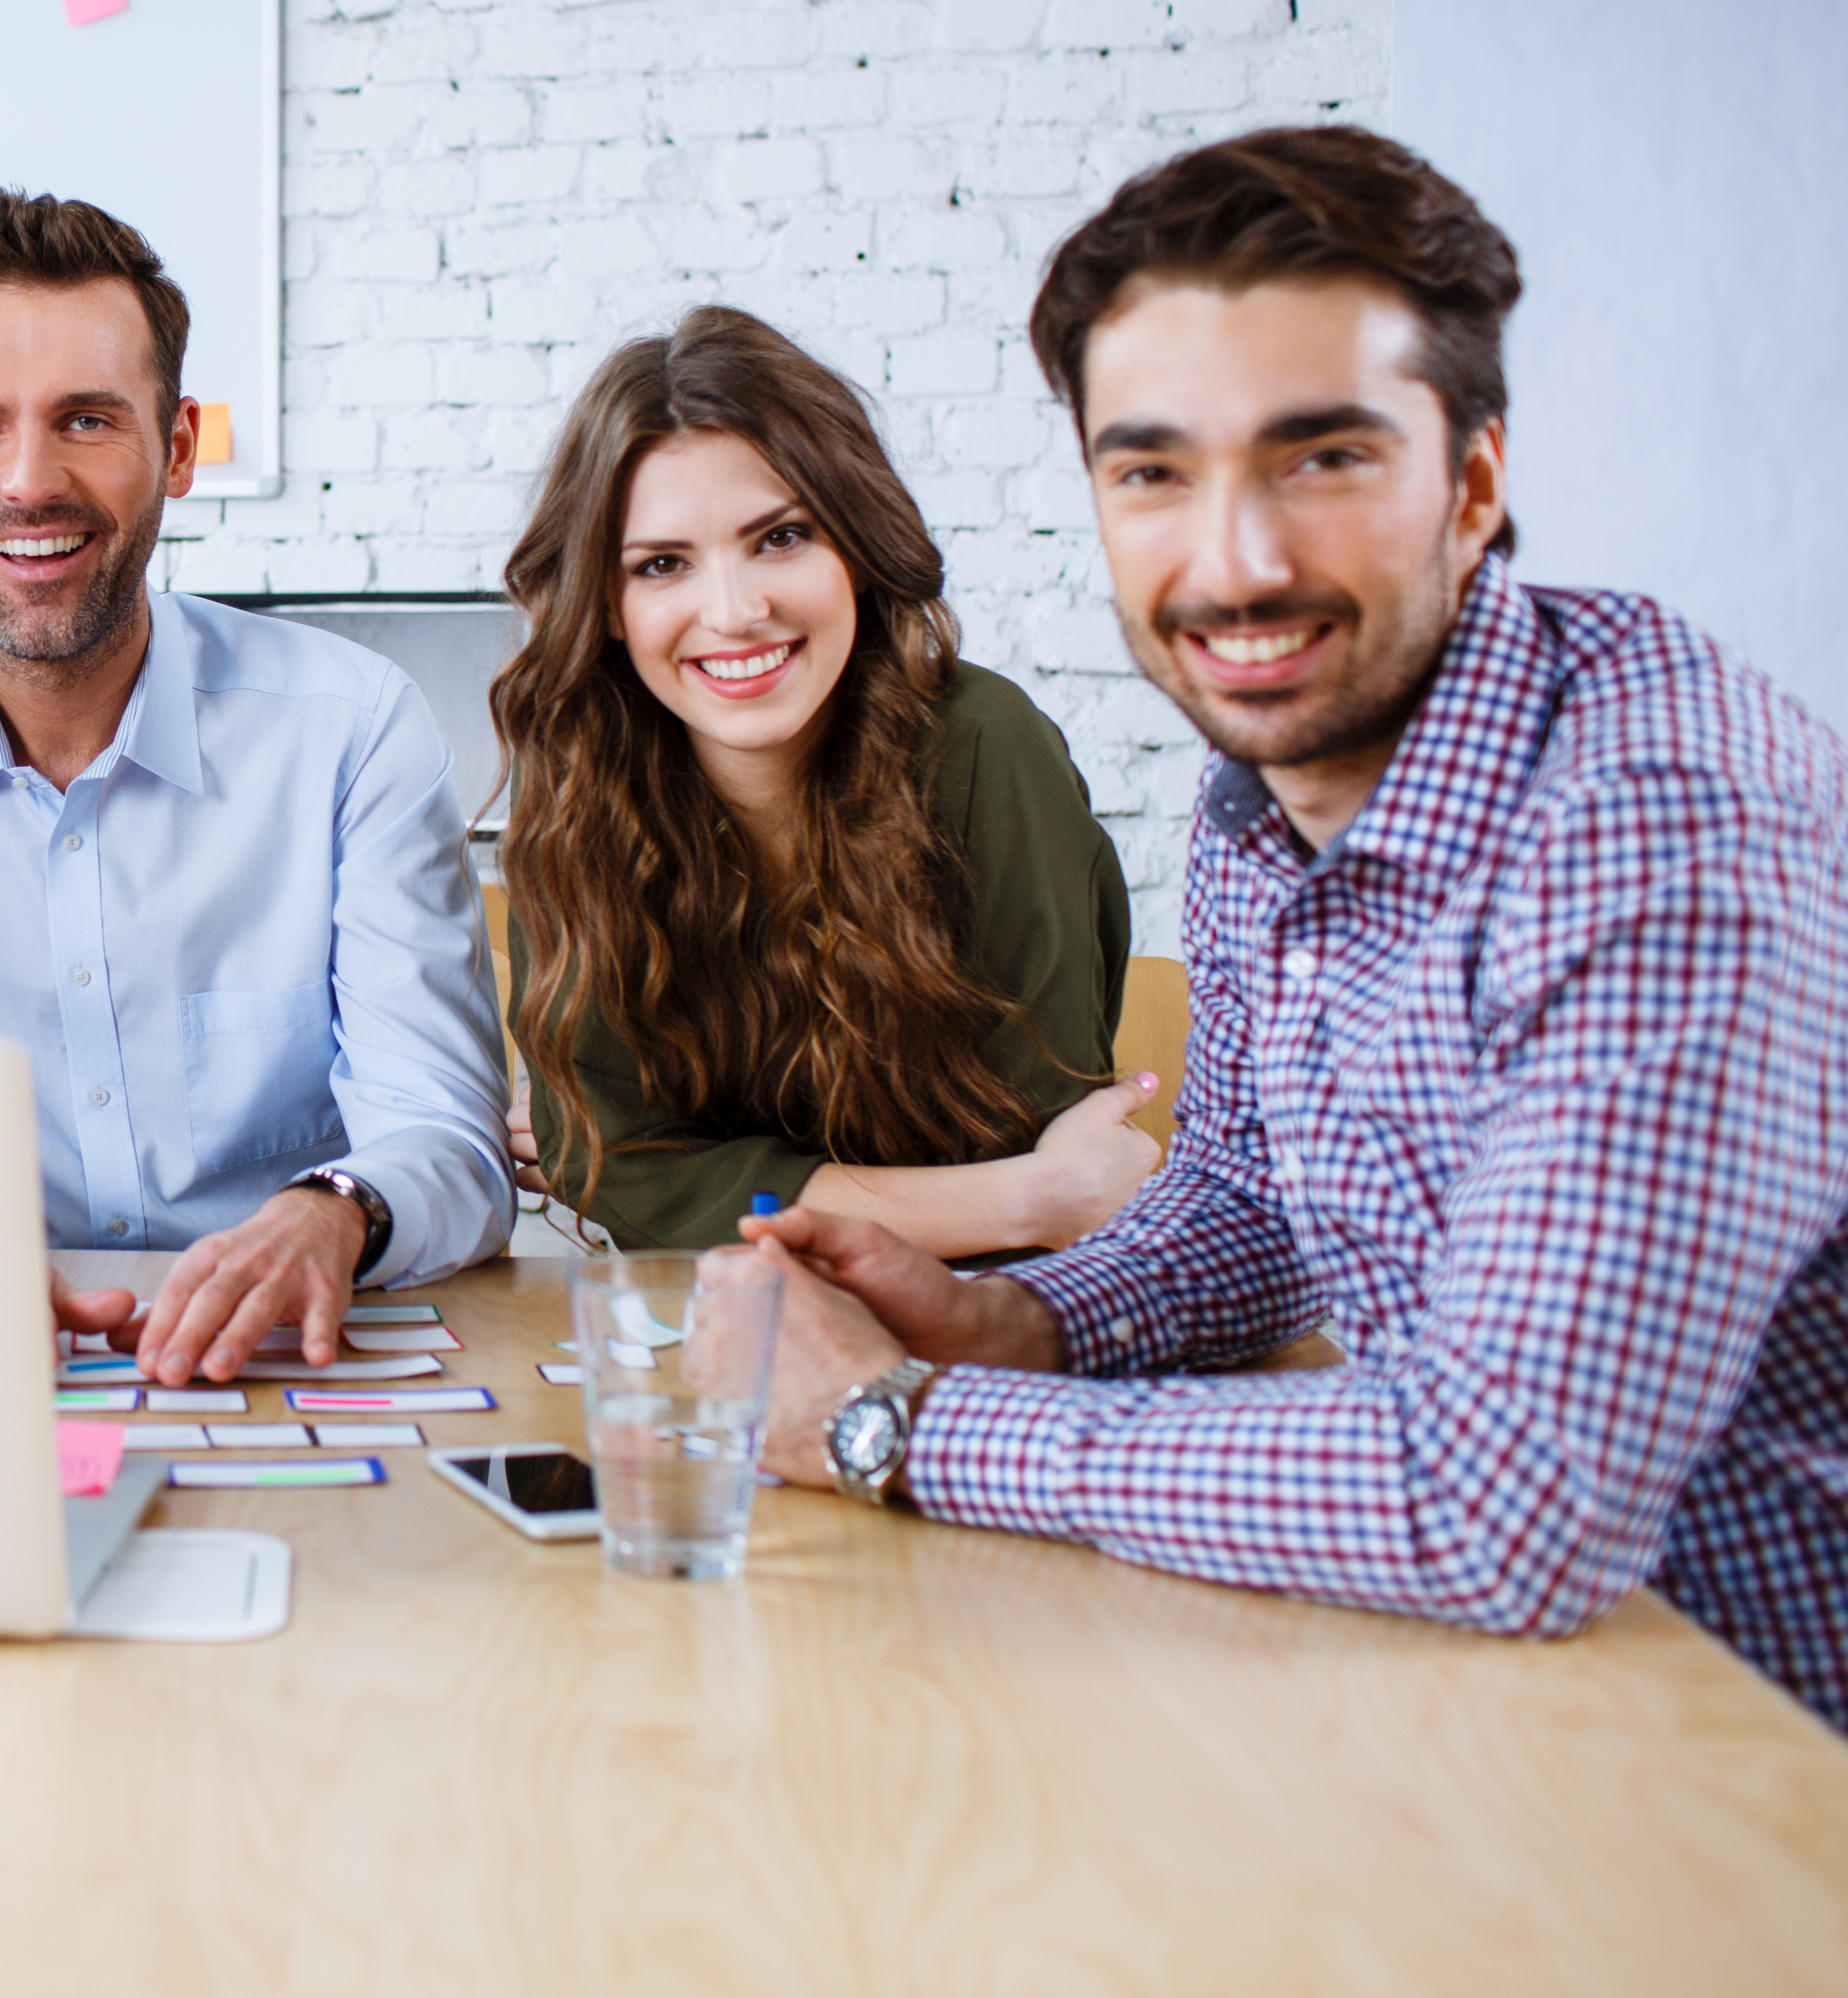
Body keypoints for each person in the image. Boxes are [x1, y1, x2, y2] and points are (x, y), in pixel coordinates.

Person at [743, 126, 1848, 1733]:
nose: (1236, 560)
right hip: (1489, 1703)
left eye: (1323, 458)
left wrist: (896, 1423)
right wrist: (1012, 1320)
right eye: (1155, 473)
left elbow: (1504, 1504)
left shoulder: (1658, 820)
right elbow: (1254, 1194)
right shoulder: (1267, 796)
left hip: (1756, 1749)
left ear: (1473, 482)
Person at [0, 191, 512, 1383]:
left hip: (300, 1357)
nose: (31, 482)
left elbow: (445, 1135)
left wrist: (337, 1208)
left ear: (177, 446)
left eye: (87, 420)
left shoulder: (349, 730)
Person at [491, 308, 1154, 1257]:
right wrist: (1024, 1199)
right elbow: (615, 1165)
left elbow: (1043, 1130)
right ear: (606, 603)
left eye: (782, 537)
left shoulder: (983, 748)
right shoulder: (580, 781)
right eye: (664, 564)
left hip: (980, 1322)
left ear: (855, 542)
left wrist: (704, 1182)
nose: (735, 612)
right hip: (704, 1331)